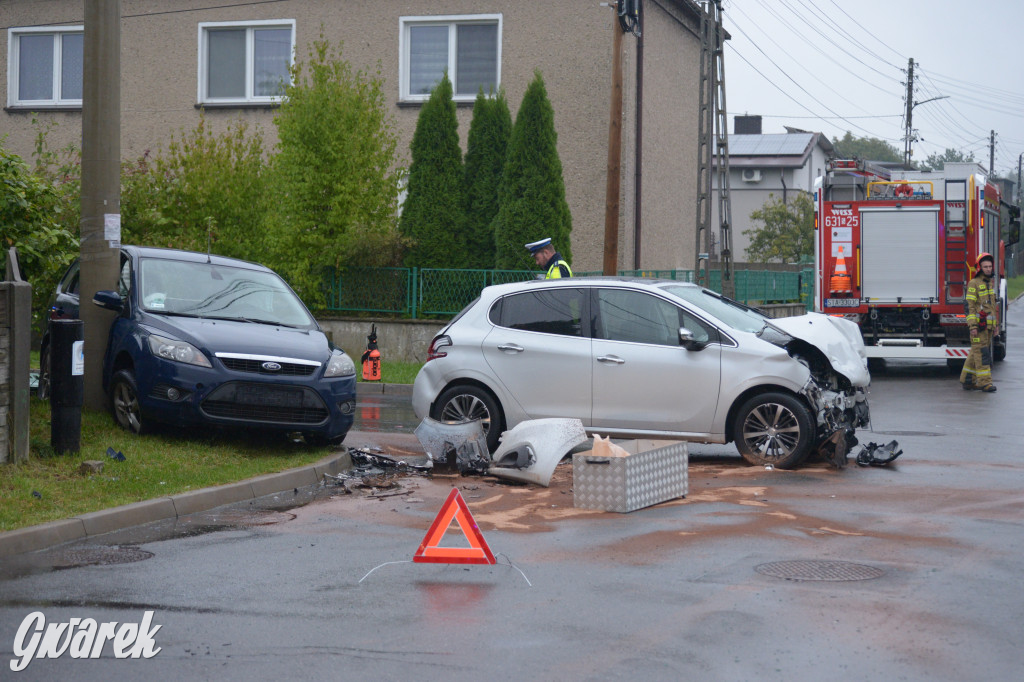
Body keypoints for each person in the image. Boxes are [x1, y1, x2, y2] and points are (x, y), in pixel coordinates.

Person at [960, 252, 999, 392]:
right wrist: (972, 327)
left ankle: (967, 380)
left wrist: (995, 326)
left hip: (988, 327)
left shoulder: (989, 284)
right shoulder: (974, 284)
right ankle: (985, 383)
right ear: (979, 268)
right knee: (983, 353)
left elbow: (993, 308)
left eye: (990, 266)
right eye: (985, 267)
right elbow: (969, 307)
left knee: (976, 352)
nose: (988, 269)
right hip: (978, 327)